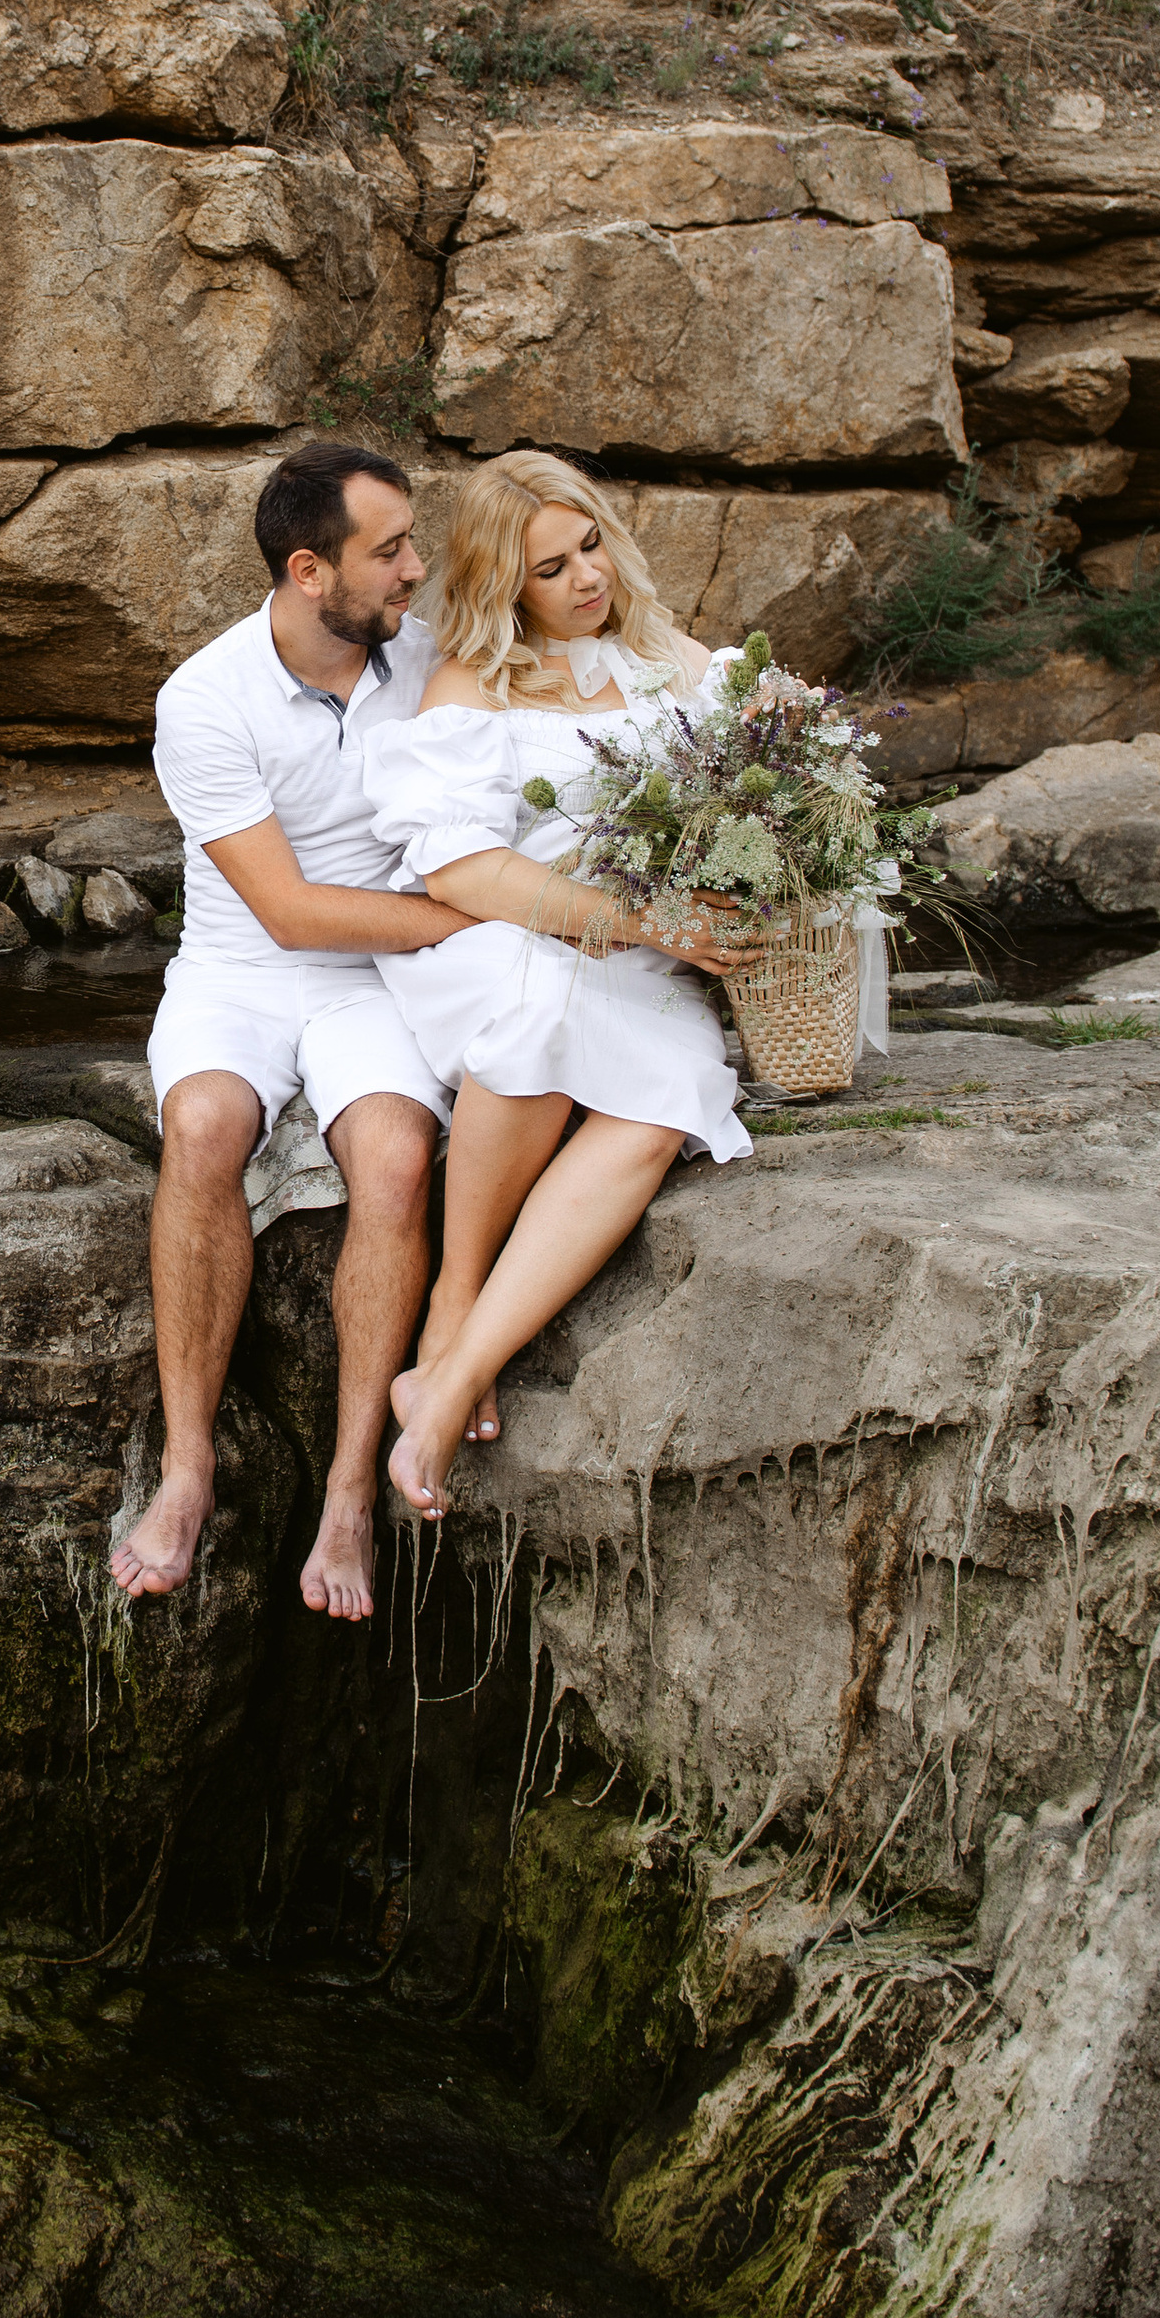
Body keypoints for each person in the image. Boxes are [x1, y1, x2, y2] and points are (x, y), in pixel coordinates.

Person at [358, 449, 756, 1532]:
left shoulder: (668, 657)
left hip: (649, 956)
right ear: (502, 584)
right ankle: (450, 1298)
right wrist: (628, 918)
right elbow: (459, 870)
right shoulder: (471, 684)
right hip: (515, 935)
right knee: (535, 1014)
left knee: (668, 1099)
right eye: (549, 568)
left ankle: (445, 1379)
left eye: (589, 546)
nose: (585, 578)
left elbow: (762, 777)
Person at [110, 441, 471, 1619]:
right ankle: (187, 1467)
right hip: (242, 968)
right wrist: (459, 915)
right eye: (390, 551)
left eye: (411, 542)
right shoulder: (203, 698)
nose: (416, 569)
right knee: (204, 1125)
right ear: (310, 570)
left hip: (378, 979)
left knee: (396, 1157)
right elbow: (285, 908)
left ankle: (350, 1492)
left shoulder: (425, 659)